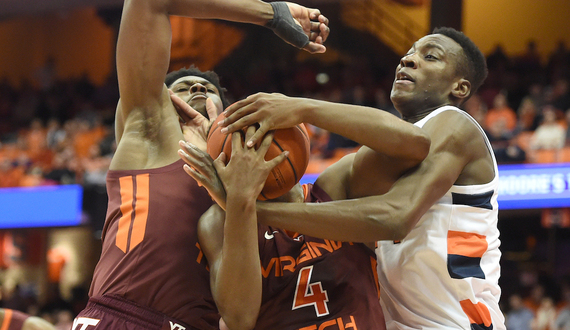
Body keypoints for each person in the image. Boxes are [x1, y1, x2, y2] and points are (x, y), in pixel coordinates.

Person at [186, 27, 505, 329]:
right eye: (408, 52)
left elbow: (394, 217)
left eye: (430, 56)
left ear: (460, 87)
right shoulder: (387, 155)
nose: (407, 59)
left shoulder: (455, 125)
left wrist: (300, 109)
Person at [73, 0, 330, 329]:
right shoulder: (147, 130)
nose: (197, 87)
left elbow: (239, 318)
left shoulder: (247, 184)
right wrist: (272, 14)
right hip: (123, 315)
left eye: (208, 89)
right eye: (183, 87)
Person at [191, 126, 386, 330]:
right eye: (247, 143)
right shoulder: (217, 223)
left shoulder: (338, 185)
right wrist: (240, 202)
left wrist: (305, 108)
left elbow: (412, 146)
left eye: (266, 135)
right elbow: (239, 320)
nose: (256, 150)